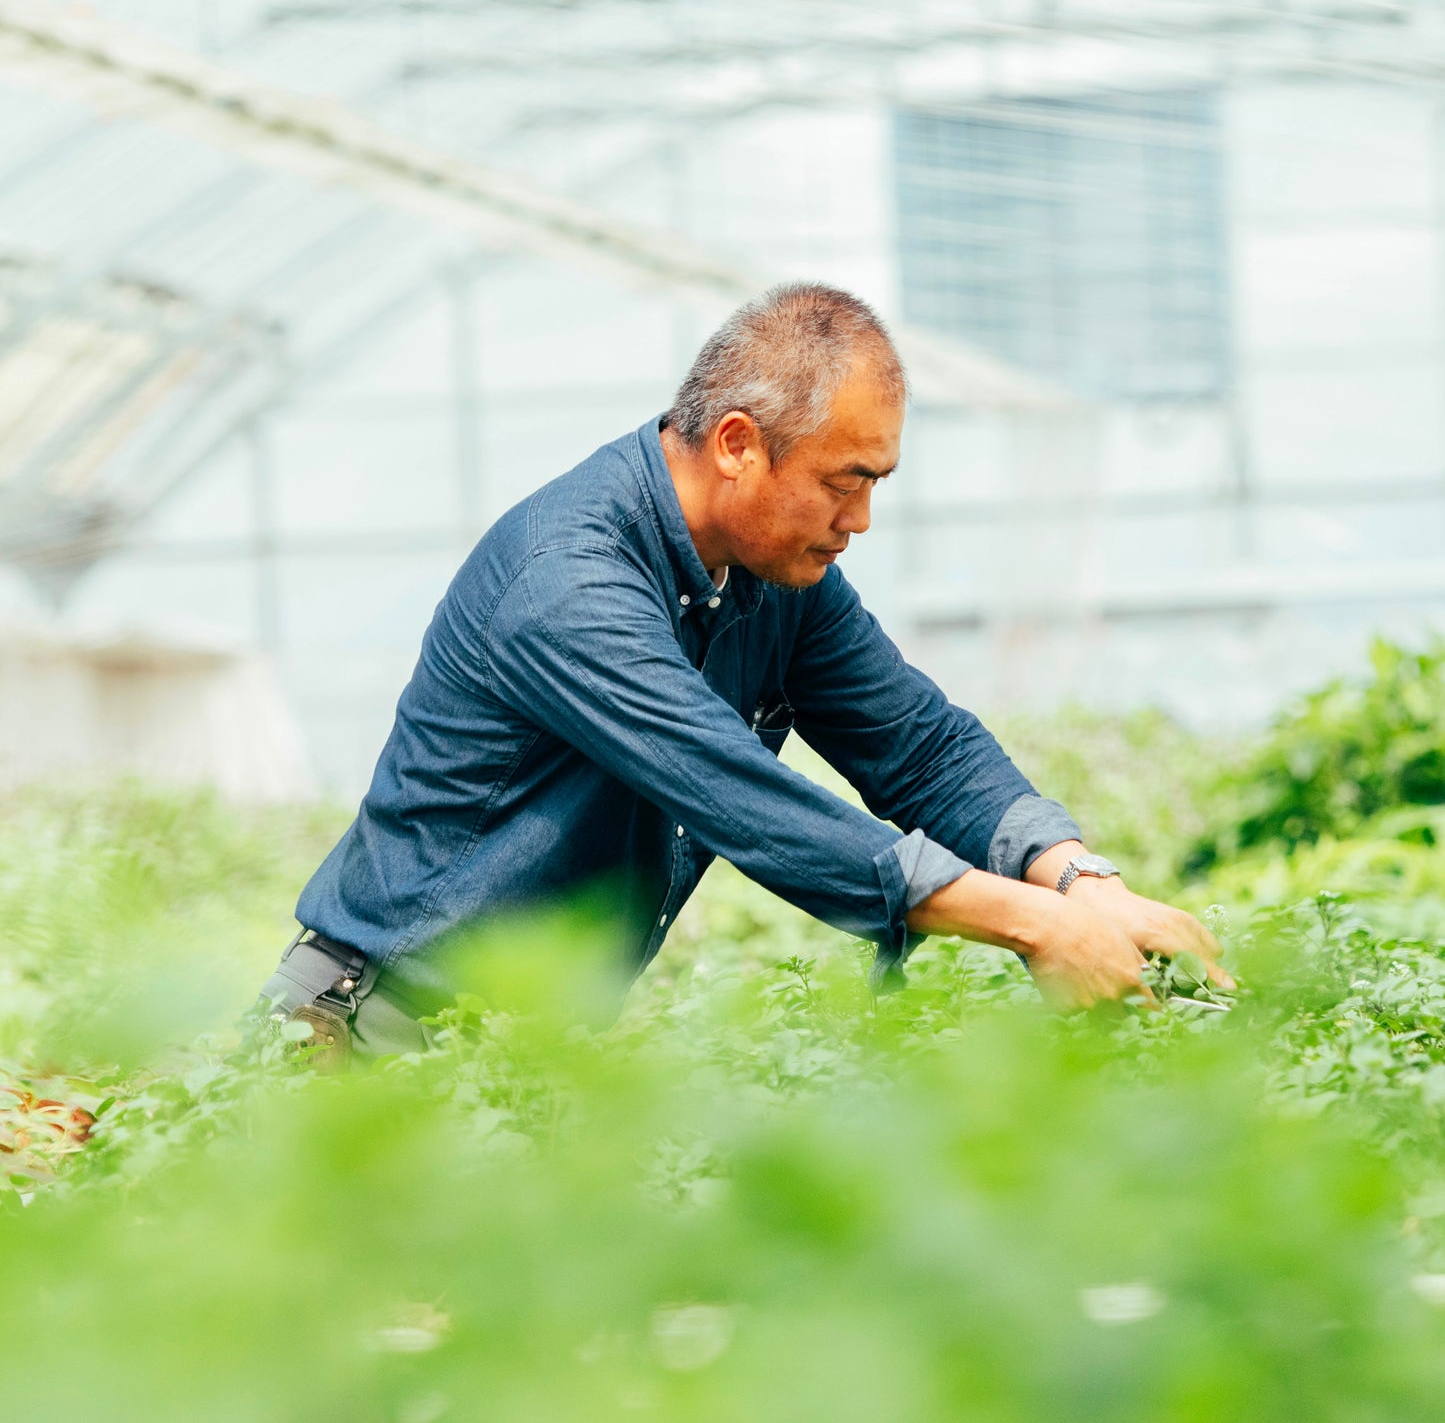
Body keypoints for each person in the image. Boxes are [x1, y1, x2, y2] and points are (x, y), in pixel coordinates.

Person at [256, 282, 1231, 1064]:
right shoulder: (567, 580)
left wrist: (1076, 879)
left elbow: (918, 745)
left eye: (874, 483)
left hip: (513, 1056)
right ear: (736, 445)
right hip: (367, 1042)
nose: (858, 520)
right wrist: (1025, 922)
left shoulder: (774, 580)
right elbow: (735, 790)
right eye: (842, 481)